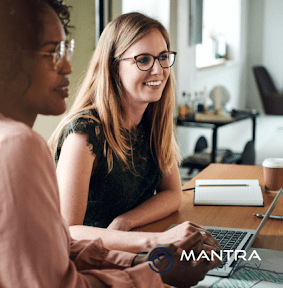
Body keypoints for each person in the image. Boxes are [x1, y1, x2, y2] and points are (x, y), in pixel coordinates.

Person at [0, 1, 220, 287]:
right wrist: (154, 259)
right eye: (53, 52)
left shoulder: (153, 119)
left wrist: (139, 253)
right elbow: (64, 251)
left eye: (164, 56)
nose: (67, 65)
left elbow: (59, 248)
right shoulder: (30, 142)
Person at [48, 11, 219, 253]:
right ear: (113, 66)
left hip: (128, 249)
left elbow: (172, 194)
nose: (158, 70)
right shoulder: (83, 134)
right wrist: (157, 240)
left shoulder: (153, 118)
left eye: (162, 57)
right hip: (88, 262)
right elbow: (69, 231)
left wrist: (125, 221)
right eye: (143, 60)